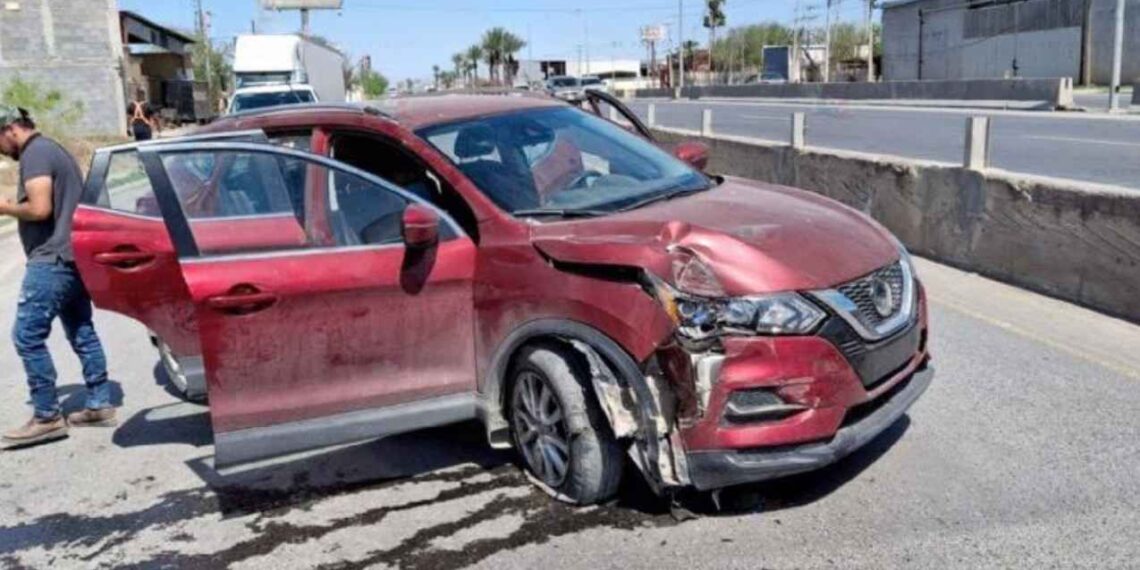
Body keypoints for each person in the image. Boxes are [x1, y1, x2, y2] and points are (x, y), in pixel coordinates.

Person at [0, 106, 115, 448]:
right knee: (81, 330)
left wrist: (5, 207)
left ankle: (47, 416)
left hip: (52, 259)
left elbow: (39, 209)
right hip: (72, 256)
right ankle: (99, 403)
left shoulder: (35, 154)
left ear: (10, 129)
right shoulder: (52, 149)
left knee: (26, 336)